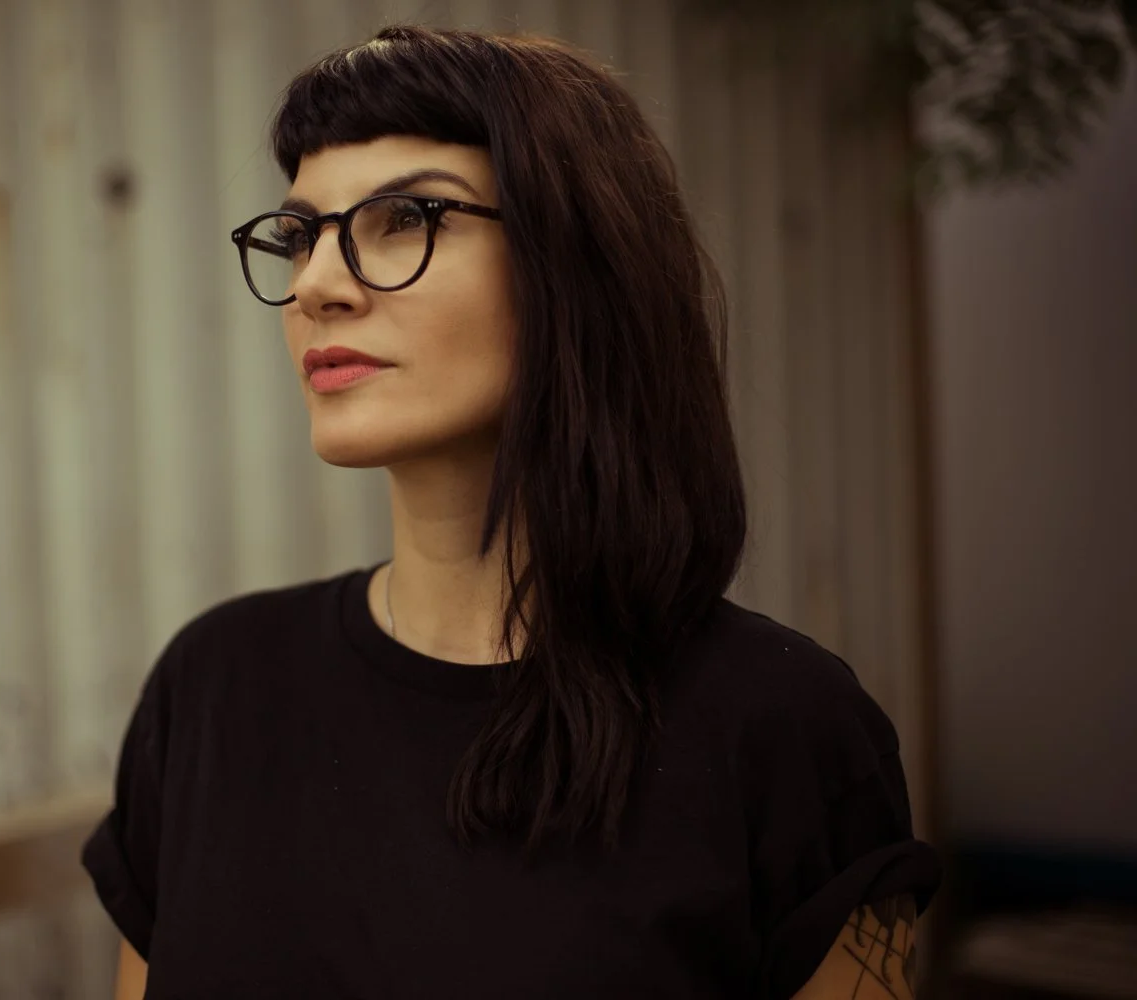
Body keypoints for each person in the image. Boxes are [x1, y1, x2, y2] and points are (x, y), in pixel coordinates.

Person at [81, 22, 939, 1000]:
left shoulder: (783, 726)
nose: (314, 284)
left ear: (576, 265)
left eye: (406, 217)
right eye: (298, 235)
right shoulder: (212, 688)